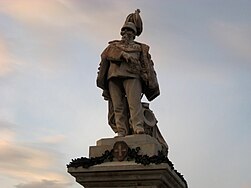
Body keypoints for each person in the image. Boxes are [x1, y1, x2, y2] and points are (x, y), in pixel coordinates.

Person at [97, 10, 160, 137]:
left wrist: (147, 76)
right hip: (113, 77)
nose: (126, 33)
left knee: (134, 104)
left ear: (134, 34)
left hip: (132, 76)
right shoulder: (113, 46)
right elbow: (106, 55)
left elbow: (146, 64)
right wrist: (122, 55)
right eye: (124, 31)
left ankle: (138, 127)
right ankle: (121, 130)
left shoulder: (140, 48)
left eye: (129, 31)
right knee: (117, 106)